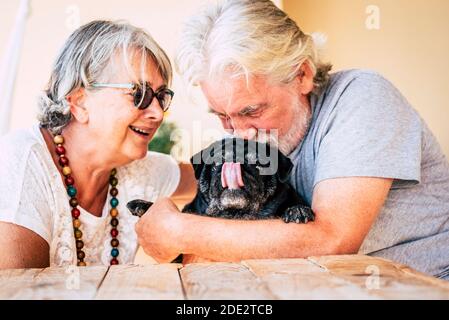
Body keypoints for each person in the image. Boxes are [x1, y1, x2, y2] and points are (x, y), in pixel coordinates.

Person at [135, 0, 449, 280]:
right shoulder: (260, 137)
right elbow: (204, 183)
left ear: (302, 75)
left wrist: (181, 230)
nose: (239, 132)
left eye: (252, 110)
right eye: (222, 115)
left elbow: (332, 241)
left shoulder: (363, 96)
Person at [0, 20, 181, 268]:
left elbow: (213, 173)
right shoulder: (18, 166)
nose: (158, 113)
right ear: (79, 102)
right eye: (140, 94)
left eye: (161, 97)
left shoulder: (141, 171)